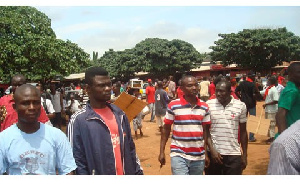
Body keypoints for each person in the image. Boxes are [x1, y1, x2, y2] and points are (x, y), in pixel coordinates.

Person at [67, 66, 143, 175]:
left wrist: (138, 173)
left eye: (109, 84)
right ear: (88, 89)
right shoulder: (79, 120)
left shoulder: (120, 114)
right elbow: (76, 161)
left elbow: (131, 149)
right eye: (101, 85)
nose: (108, 88)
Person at [0, 84, 76, 175]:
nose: (32, 107)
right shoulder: (4, 139)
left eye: (36, 103)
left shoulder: (57, 136)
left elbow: (68, 172)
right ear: (14, 107)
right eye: (25, 103)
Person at [158, 75, 211, 175]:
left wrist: (206, 154)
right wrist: (162, 151)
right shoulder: (173, 105)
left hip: (198, 156)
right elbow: (166, 129)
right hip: (178, 154)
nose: (194, 88)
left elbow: (206, 132)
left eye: (196, 85)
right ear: (181, 88)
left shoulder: (204, 106)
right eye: (190, 85)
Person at [205, 81, 248, 175]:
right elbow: (206, 131)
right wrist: (212, 150)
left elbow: (243, 132)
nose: (218, 94)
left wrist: (244, 155)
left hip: (234, 154)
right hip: (214, 154)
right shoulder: (208, 105)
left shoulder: (240, 106)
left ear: (230, 92)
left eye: (222, 91)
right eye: (216, 91)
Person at [276, 62, 300, 137]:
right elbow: (280, 115)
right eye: (299, 72)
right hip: (291, 138)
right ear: (290, 74)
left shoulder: (295, 89)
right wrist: (285, 137)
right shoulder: (291, 91)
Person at [235, 73, 260, 142]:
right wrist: (256, 99)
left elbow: (236, 91)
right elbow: (254, 94)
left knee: (242, 120)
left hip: (243, 103)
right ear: (251, 77)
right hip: (251, 103)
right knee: (253, 120)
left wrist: (240, 98)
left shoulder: (242, 83)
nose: (255, 78)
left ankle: (241, 136)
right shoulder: (252, 84)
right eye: (254, 76)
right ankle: (251, 137)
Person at [259, 76, 279, 143]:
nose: (267, 82)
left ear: (271, 82)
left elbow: (276, 100)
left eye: (268, 81)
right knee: (269, 123)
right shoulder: (268, 89)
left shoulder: (274, 90)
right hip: (268, 110)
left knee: (272, 124)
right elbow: (262, 92)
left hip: (272, 110)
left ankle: (272, 138)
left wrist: (266, 104)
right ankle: (271, 137)